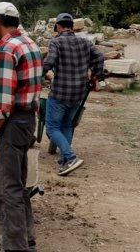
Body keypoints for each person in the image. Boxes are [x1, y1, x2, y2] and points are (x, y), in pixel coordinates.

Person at [0, 2, 43, 252]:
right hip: (27, 120)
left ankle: (14, 247)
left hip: (11, 122)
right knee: (18, 183)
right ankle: (25, 237)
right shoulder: (30, 44)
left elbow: (3, 100)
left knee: (6, 189)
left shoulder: (6, 49)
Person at [43, 12, 105, 176]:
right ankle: (64, 162)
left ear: (58, 26)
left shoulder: (56, 42)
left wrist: (37, 75)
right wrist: (97, 76)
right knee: (66, 126)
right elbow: (99, 56)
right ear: (72, 26)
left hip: (60, 93)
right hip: (79, 93)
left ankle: (70, 157)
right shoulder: (85, 42)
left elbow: (50, 61)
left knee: (52, 127)